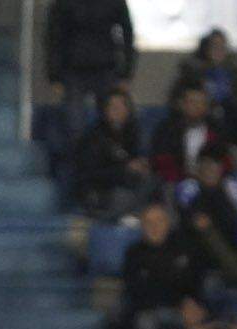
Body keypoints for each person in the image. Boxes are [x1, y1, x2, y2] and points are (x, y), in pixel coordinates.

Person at [46, 0, 135, 147]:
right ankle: (80, 158)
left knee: (111, 122)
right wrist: (54, 74)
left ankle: (110, 156)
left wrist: (126, 71)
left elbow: (127, 31)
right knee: (74, 124)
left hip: (104, 66)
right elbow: (54, 34)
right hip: (75, 68)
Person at [71, 89, 153, 220]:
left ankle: (133, 217)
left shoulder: (132, 133)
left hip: (126, 185)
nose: (117, 110)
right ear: (105, 110)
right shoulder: (93, 137)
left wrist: (141, 166)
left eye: (122, 105)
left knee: (152, 182)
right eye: (113, 106)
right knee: (123, 197)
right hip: (99, 191)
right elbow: (89, 174)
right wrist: (125, 168)